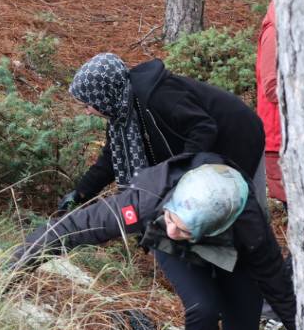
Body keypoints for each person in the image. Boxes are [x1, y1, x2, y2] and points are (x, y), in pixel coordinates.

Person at [13, 153, 296, 330]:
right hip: (178, 248)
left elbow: (281, 292)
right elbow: (75, 227)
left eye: (182, 228)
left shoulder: (252, 230)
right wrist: (12, 271)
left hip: (235, 253)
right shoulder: (149, 203)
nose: (173, 230)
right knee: (203, 309)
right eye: (174, 220)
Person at [57, 53, 266, 215]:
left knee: (242, 206)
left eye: (88, 104)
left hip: (238, 136)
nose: (87, 111)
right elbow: (110, 160)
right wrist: (80, 193)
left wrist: (181, 172)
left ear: (104, 96)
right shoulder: (122, 117)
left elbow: (202, 128)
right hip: (209, 153)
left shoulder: (158, 95)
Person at [254, 0, 285, 204]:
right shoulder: (273, 34)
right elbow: (271, 86)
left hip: (287, 135)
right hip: (277, 137)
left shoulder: (287, 30)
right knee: (291, 203)